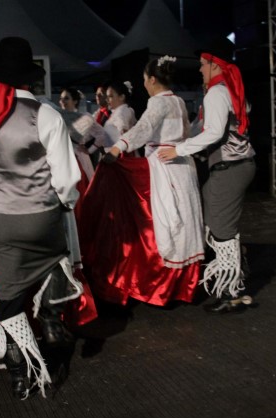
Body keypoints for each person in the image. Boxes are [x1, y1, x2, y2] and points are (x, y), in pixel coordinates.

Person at [0, 36, 84, 399]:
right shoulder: (46, 114)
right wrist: (64, 204)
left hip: (2, 220)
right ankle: (50, 315)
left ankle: (20, 374)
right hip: (41, 215)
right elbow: (67, 178)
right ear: (30, 79)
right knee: (59, 257)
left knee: (8, 300)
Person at [78, 55, 205, 307]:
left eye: (145, 79)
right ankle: (182, 283)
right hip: (181, 166)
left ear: (153, 80)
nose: (144, 84)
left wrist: (118, 149)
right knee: (181, 218)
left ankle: (163, 285)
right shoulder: (178, 100)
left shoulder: (159, 102)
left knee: (162, 221)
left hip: (165, 166)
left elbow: (143, 128)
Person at [157, 38, 256, 315]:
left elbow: (213, 132)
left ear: (215, 64)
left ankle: (231, 292)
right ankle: (237, 266)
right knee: (214, 220)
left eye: (203, 64)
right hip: (235, 166)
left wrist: (178, 149)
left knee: (221, 229)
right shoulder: (227, 89)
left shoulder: (217, 93)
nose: (200, 69)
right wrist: (184, 138)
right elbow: (206, 126)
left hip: (231, 167)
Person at [103, 80, 137, 149]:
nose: (107, 100)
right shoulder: (118, 112)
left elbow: (124, 135)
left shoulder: (122, 111)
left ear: (122, 97)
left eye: (110, 96)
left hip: (119, 153)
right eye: (107, 96)